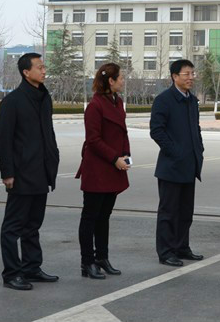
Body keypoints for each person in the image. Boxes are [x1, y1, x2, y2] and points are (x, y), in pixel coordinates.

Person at [0, 53, 60, 291]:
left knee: (33, 224)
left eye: (44, 67)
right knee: (13, 227)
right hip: (21, 172)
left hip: (42, 170)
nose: (44, 71)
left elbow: (48, 132)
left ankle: (32, 267)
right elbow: (4, 140)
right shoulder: (13, 101)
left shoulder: (44, 97)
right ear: (26, 72)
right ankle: (12, 273)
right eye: (40, 67)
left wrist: (53, 158)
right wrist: (7, 172)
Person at [75, 63, 131, 279]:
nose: (123, 81)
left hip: (114, 165)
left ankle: (102, 257)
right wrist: (114, 157)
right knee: (90, 217)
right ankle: (87, 262)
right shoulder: (95, 106)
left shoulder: (117, 102)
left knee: (104, 216)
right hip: (98, 168)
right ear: (111, 81)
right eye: (121, 78)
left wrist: (125, 154)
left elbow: (122, 133)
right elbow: (93, 140)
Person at [150, 59, 204, 267]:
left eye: (192, 74)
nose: (191, 78)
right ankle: (166, 251)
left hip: (190, 165)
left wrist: (198, 148)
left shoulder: (191, 100)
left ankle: (182, 247)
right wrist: (176, 152)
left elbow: (195, 128)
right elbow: (157, 130)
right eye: (186, 74)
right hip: (171, 166)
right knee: (169, 212)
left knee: (185, 212)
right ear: (175, 77)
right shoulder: (164, 100)